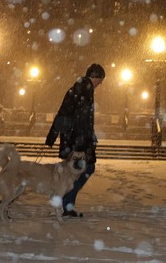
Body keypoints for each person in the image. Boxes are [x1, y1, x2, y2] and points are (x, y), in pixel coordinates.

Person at [45, 63, 105, 217]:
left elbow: (64, 111)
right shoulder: (85, 89)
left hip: (73, 139)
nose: (100, 84)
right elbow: (82, 119)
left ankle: (64, 204)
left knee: (73, 172)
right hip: (78, 141)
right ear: (95, 77)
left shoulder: (79, 87)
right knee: (83, 170)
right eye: (100, 80)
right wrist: (86, 144)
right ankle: (65, 204)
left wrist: (54, 135)